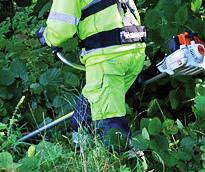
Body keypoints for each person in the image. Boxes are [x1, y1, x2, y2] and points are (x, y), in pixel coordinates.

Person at [36, 0, 147, 150]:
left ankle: (122, 160)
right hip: (133, 49)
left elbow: (62, 27)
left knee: (108, 117)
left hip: (108, 57)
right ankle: (81, 151)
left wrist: (48, 37)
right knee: (87, 109)